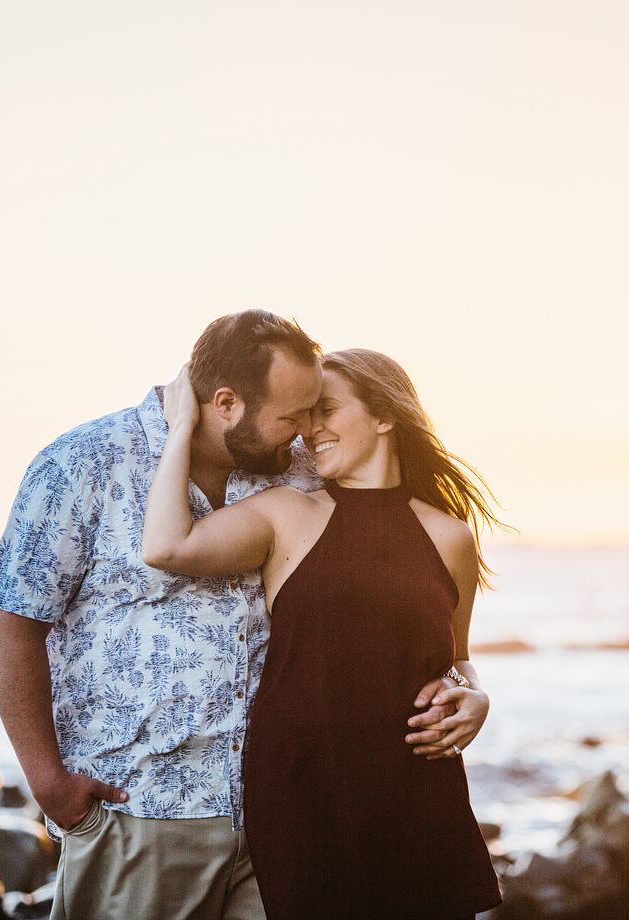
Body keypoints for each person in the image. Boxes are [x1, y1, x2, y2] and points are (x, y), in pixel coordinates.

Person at [0, 311, 467, 920]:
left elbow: (388, 600)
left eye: (315, 411)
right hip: (146, 806)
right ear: (228, 403)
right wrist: (49, 783)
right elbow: (12, 621)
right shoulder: (83, 463)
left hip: (285, 817)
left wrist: (463, 687)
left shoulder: (300, 472)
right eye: (293, 415)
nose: (303, 433)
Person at [141, 348, 504, 920]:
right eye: (306, 415)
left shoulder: (450, 537)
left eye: (327, 410)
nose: (310, 430)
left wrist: (476, 697)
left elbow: (456, 656)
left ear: (385, 416)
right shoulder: (287, 513)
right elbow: (166, 546)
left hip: (416, 796)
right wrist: (182, 426)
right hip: (302, 796)